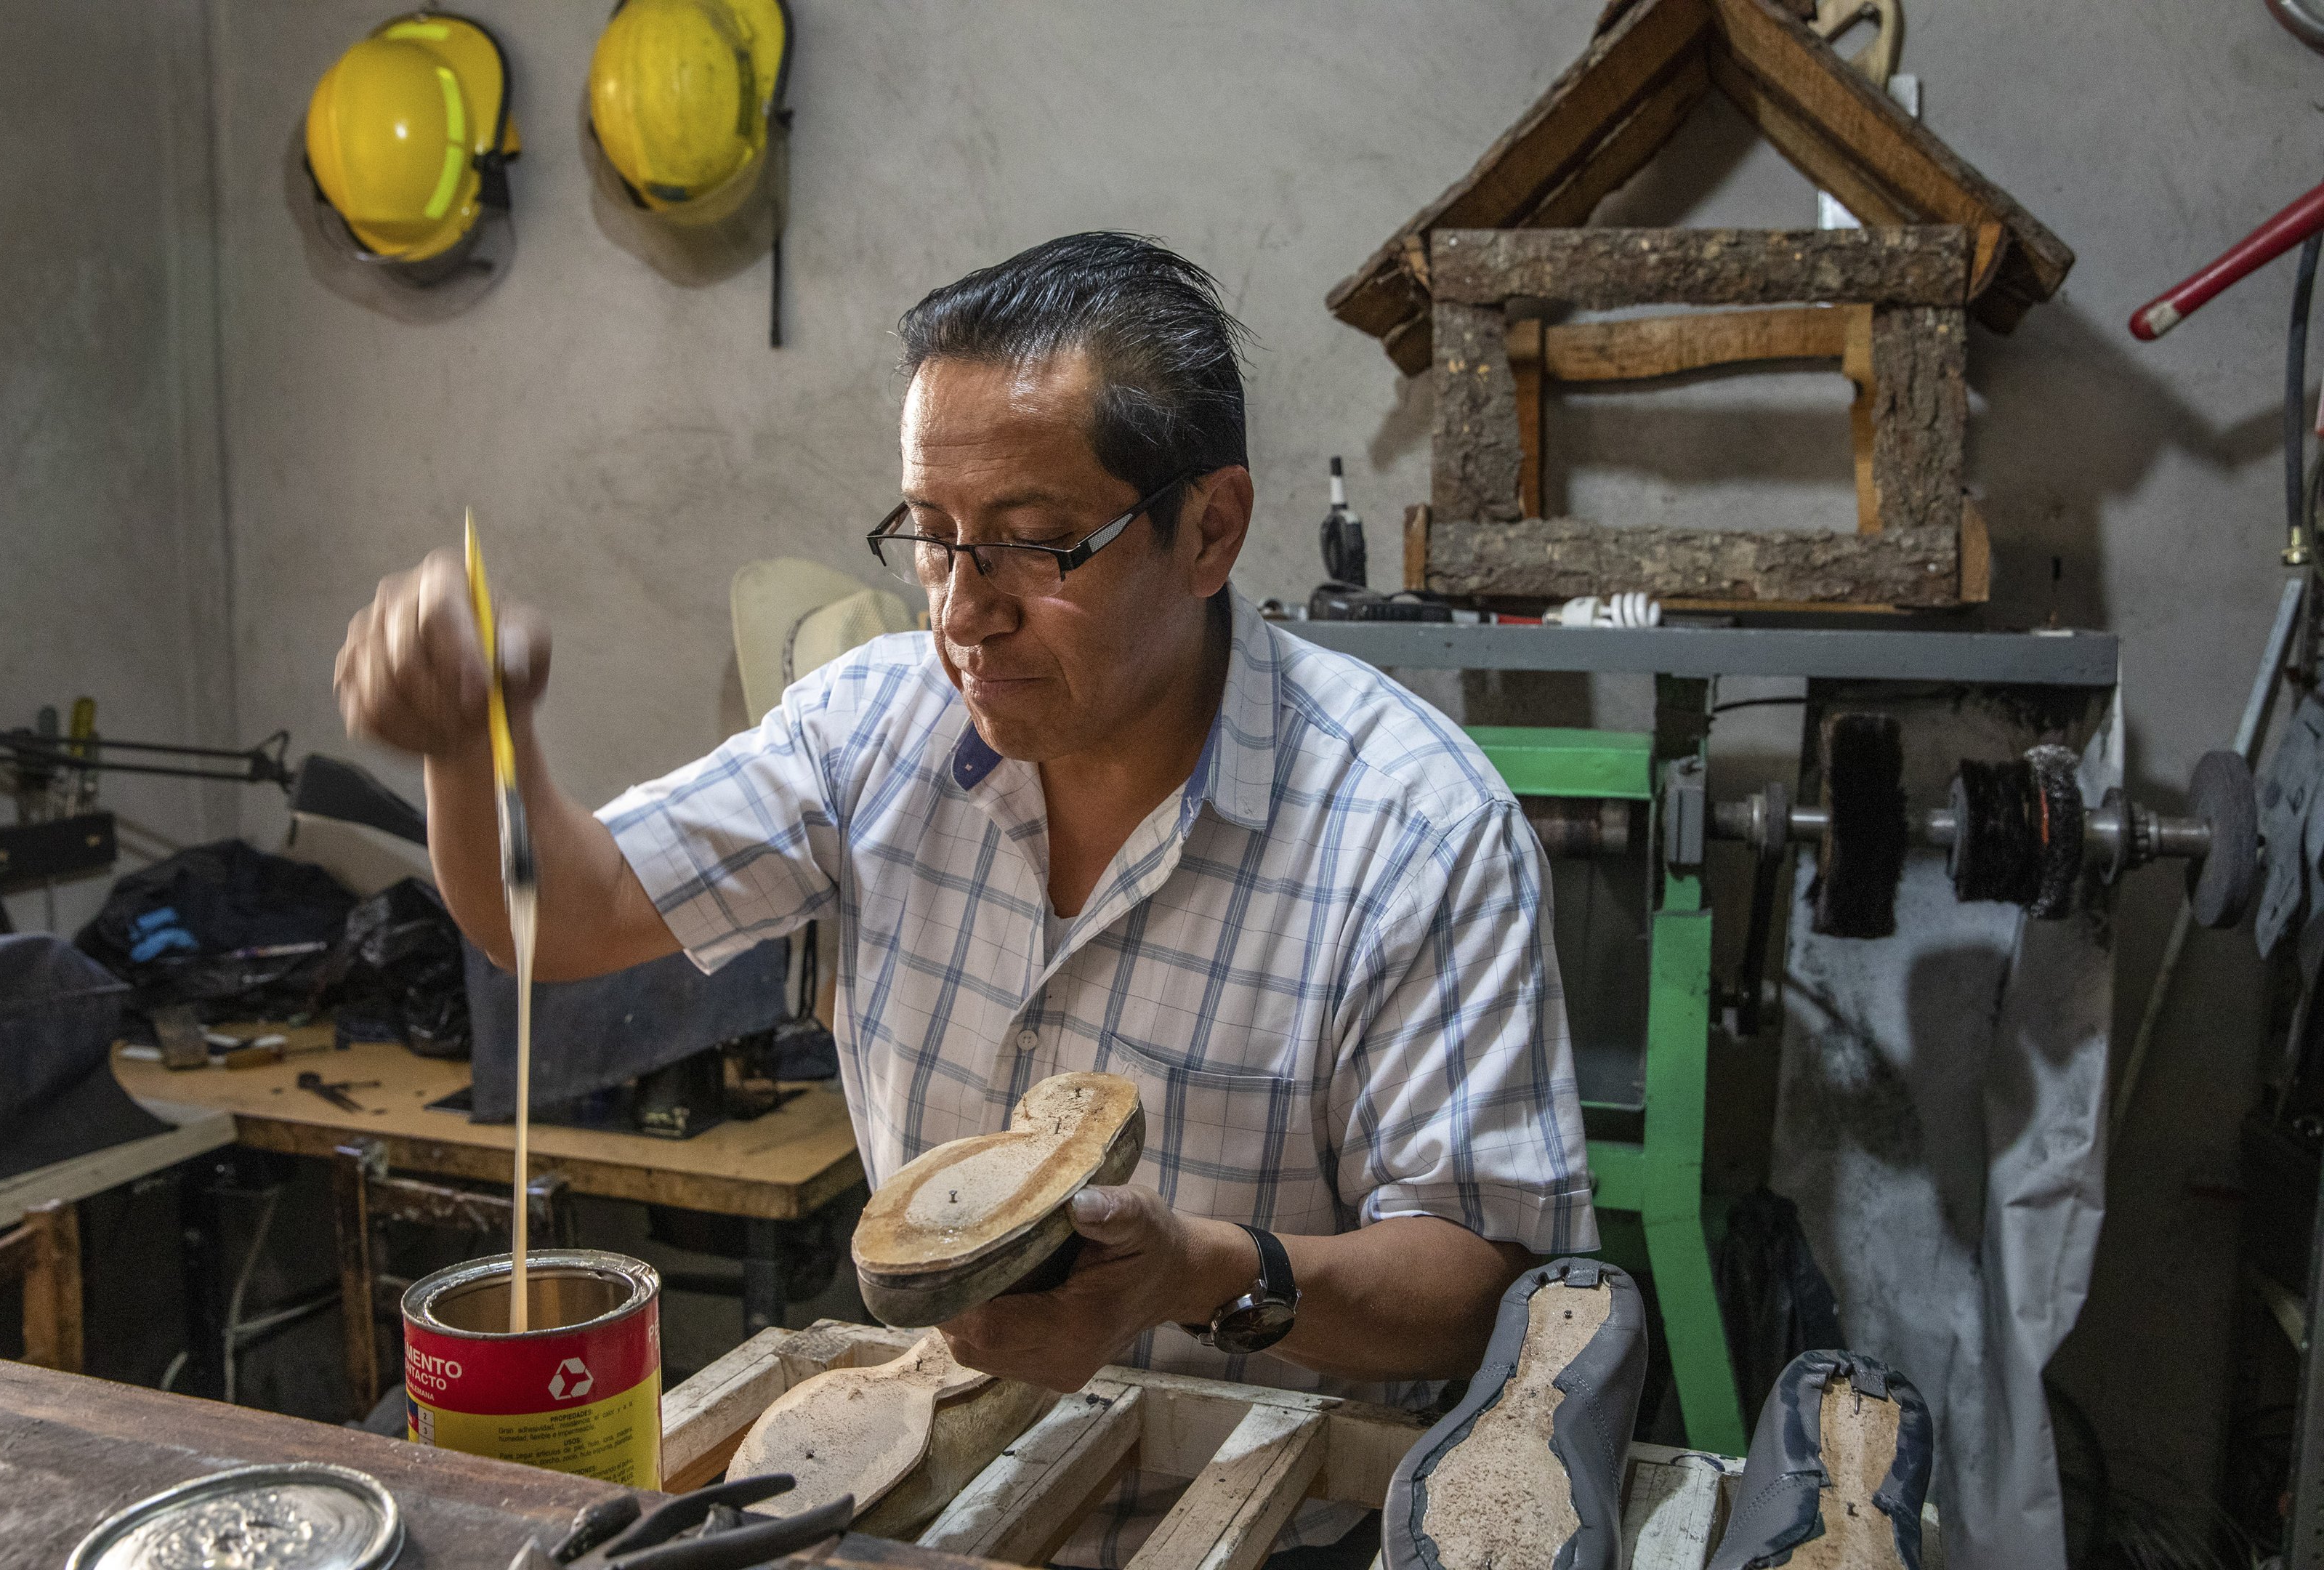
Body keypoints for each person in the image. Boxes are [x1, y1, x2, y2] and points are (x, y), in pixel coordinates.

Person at [334, 231, 1593, 1563]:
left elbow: (1484, 1279)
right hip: (936, 1493)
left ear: (1210, 528)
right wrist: (470, 749)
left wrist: (1201, 1274)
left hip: (1260, 1522)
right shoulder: (876, 728)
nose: (962, 614)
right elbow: (557, 915)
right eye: (931, 541)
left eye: (1035, 549)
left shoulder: (1411, 829)